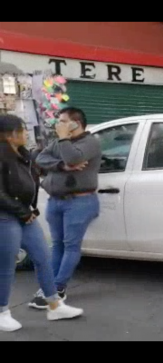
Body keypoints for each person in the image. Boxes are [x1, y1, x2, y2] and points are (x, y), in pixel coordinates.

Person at [0, 114, 84, 332]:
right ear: (11, 134)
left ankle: (54, 305)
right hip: (6, 216)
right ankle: (2, 312)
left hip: (24, 215)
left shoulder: (22, 155)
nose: (27, 133)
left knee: (43, 257)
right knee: (7, 265)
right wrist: (21, 211)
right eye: (23, 129)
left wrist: (29, 210)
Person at [31, 107, 101, 309]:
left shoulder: (90, 142)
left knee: (71, 245)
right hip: (56, 201)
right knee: (57, 244)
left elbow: (73, 158)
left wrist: (63, 142)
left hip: (79, 201)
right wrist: (62, 166)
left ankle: (58, 289)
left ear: (75, 124)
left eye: (62, 121)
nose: (58, 125)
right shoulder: (59, 143)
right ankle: (48, 287)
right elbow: (40, 158)